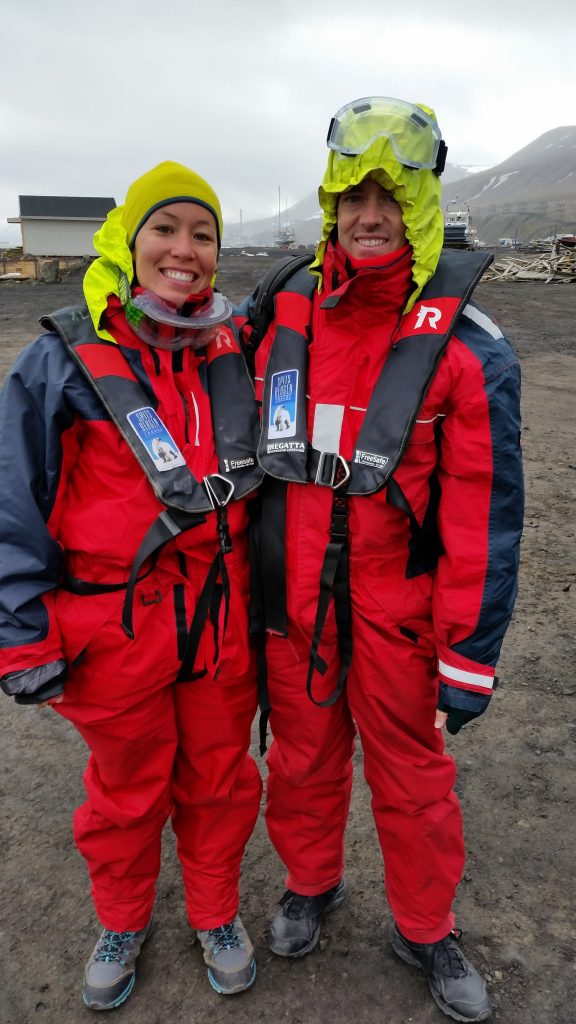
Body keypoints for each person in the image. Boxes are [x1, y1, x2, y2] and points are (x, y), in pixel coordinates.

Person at [238, 97, 524, 1022]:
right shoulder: (276, 309)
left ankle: (427, 927)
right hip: (297, 610)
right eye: (353, 196)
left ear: (422, 206)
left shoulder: (468, 348)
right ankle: (312, 883)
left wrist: (467, 655)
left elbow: (486, 514)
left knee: (414, 782)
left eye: (391, 199)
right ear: (329, 203)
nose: (370, 215)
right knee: (302, 763)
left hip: (400, 615)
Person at [0, 162, 264, 1008]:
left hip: (220, 627)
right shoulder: (62, 361)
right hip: (115, 629)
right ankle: (122, 916)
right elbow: (14, 499)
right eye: (166, 229)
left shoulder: (236, 350)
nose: (183, 251)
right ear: (130, 239)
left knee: (221, 778)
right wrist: (23, 634)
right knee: (125, 791)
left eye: (203, 235)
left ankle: (216, 913)